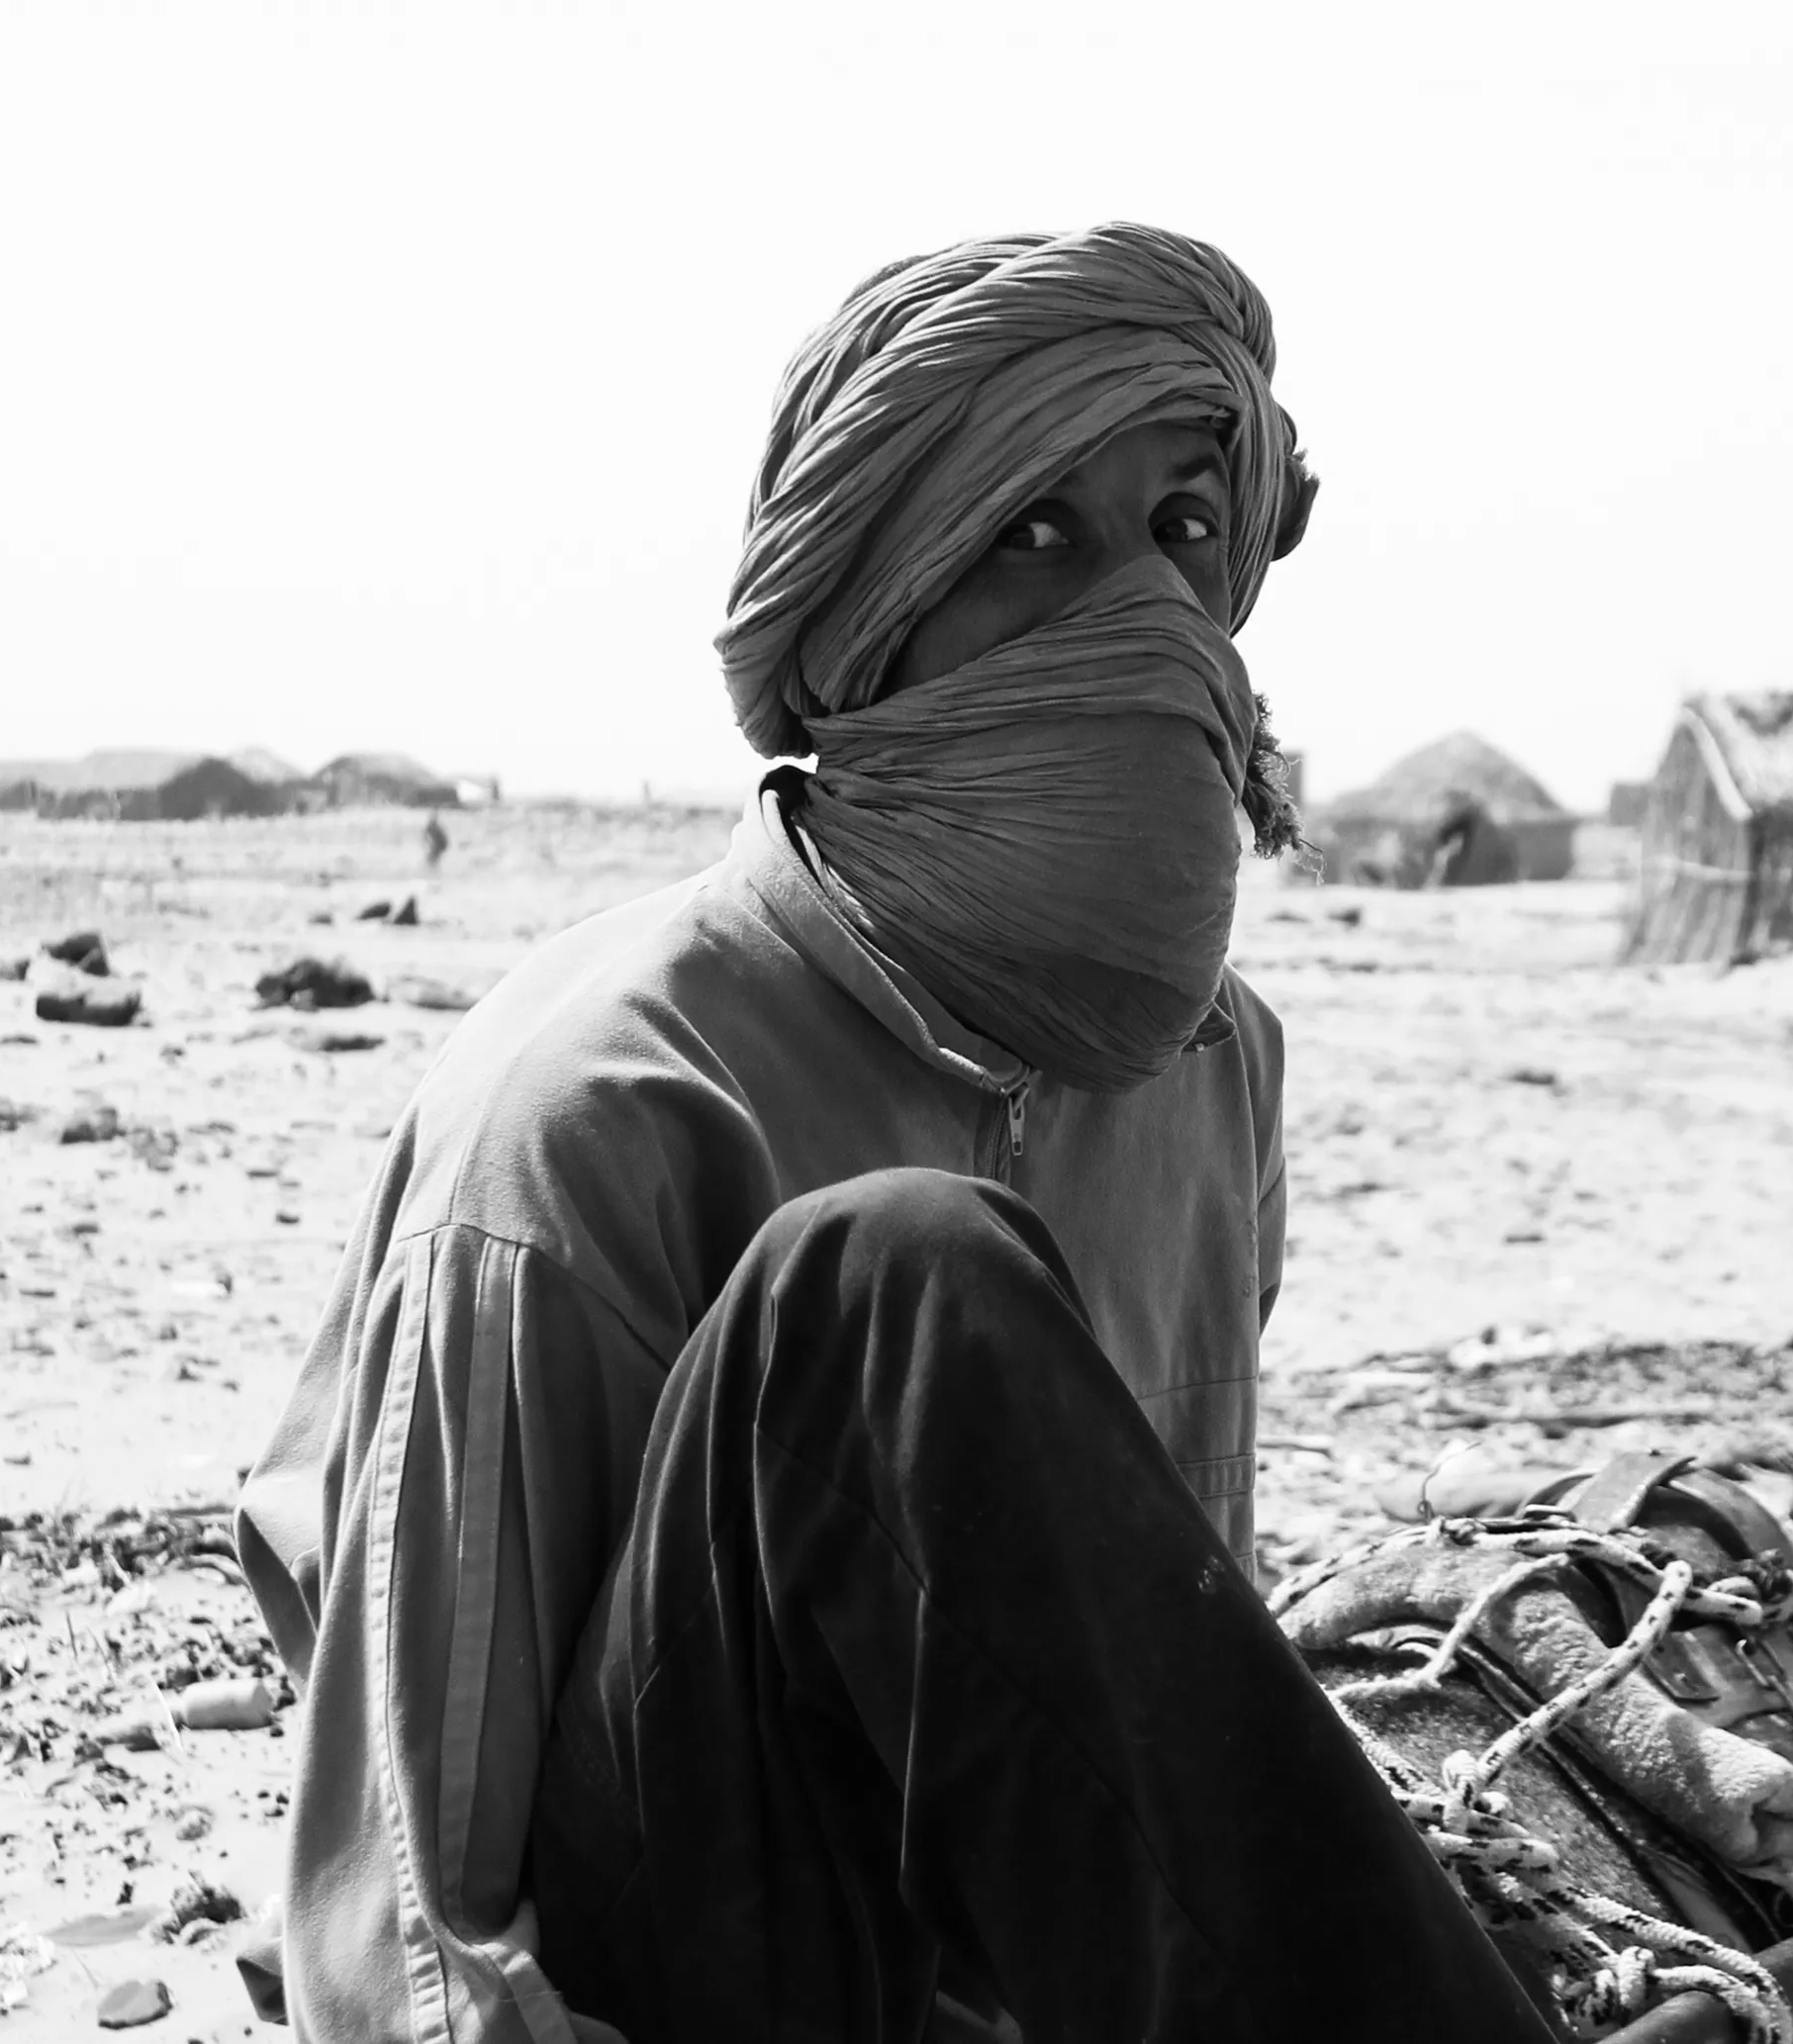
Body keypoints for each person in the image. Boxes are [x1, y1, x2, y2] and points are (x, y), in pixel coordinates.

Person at [235, 225, 1559, 2044]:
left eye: (1184, 528)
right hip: (710, 1970)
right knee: (889, 1286)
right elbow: (411, 1916)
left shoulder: (1212, 1073)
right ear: (873, 614)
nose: (1149, 616)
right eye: (1037, 535)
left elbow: (1143, 1682)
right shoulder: (589, 1117)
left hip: (1033, 1977)